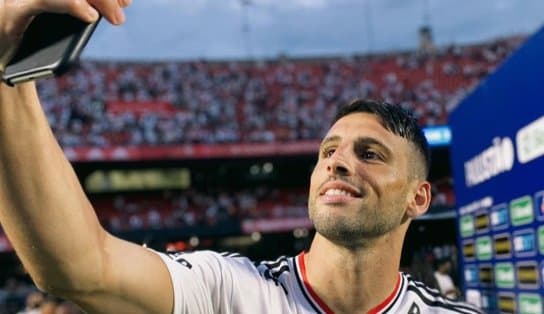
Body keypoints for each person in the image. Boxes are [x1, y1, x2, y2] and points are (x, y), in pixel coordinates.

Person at [0, 1, 484, 313]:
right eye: (328, 150)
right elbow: (79, 266)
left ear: (419, 197)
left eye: (371, 154)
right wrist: (7, 69)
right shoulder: (227, 289)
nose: (337, 162)